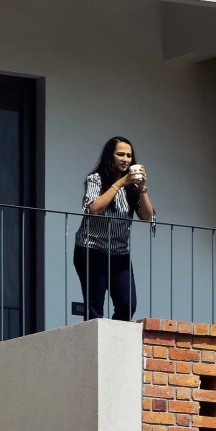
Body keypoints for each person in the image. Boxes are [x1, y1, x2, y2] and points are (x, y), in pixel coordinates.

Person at [73, 136, 155, 321]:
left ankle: (115, 343)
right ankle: (97, 346)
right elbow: (94, 209)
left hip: (120, 253)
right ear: (110, 156)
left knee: (128, 305)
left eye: (129, 155)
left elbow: (147, 216)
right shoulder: (96, 179)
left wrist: (142, 189)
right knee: (94, 306)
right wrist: (119, 183)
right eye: (120, 154)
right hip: (92, 248)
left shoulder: (132, 187)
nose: (125, 159)